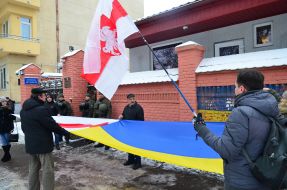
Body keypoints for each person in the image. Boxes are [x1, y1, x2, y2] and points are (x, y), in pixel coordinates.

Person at [194, 69, 280, 190]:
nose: (234, 90)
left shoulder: (241, 113)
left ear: (241, 89)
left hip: (242, 182)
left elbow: (226, 150)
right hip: (267, 177)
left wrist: (202, 129)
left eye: (235, 86)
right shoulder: (274, 109)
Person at [20, 88, 70, 190]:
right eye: (43, 95)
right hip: (43, 146)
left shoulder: (23, 110)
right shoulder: (41, 110)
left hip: (31, 145)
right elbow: (52, 125)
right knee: (48, 171)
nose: (45, 97)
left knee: (33, 170)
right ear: (39, 96)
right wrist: (65, 133)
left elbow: (24, 128)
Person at [119, 93, 144, 170]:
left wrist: (138, 130)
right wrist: (121, 116)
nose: (132, 100)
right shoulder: (126, 107)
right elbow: (124, 115)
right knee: (129, 145)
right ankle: (131, 160)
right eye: (130, 99)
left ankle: (138, 163)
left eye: (133, 98)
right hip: (128, 130)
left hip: (136, 131)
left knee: (136, 146)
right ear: (127, 100)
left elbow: (141, 121)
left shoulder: (139, 108)